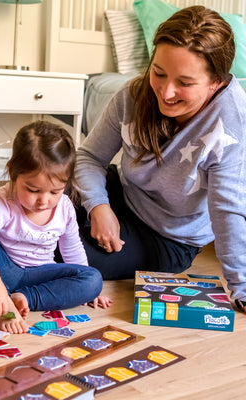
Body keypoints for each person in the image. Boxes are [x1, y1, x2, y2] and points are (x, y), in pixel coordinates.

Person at [75, 5, 246, 312]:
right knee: (39, 189)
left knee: (59, 255)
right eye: (159, 73)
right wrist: (99, 206)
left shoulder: (232, 125)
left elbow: (227, 209)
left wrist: (241, 287)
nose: (166, 93)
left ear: (216, 82)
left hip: (167, 238)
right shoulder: (131, 95)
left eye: (185, 82)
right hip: (122, 196)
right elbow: (88, 156)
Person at [0, 120, 111, 334]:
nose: (43, 201)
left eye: (55, 192)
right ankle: (1, 299)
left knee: (93, 279)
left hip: (41, 275)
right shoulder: (4, 201)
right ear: (12, 172)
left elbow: (72, 249)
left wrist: (89, 293)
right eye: (33, 190)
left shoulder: (65, 207)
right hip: (3, 273)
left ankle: (24, 298)